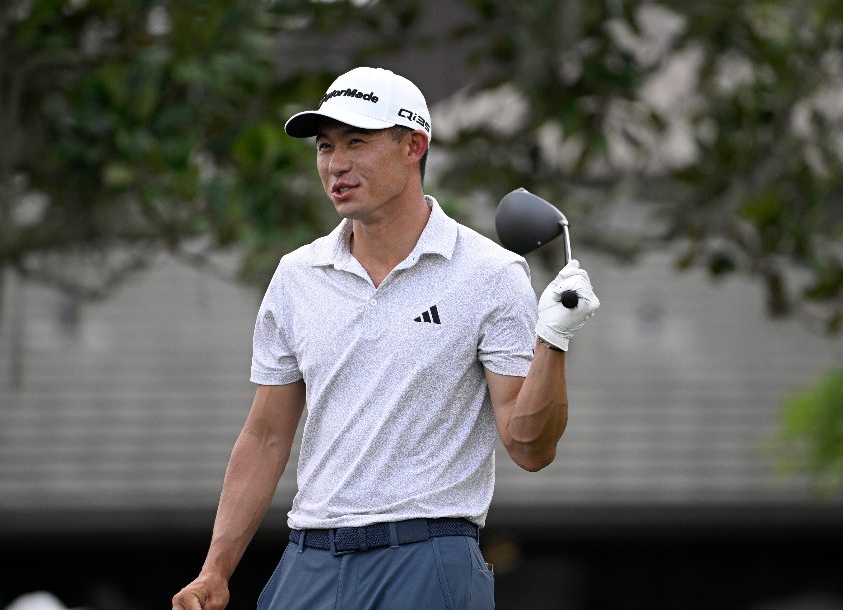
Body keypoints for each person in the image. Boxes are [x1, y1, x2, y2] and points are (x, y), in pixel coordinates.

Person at [171, 66, 600, 610]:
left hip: (428, 556)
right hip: (312, 559)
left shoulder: (491, 273)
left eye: (357, 142)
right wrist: (216, 570)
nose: (336, 165)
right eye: (325, 147)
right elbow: (265, 437)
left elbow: (529, 447)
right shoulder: (297, 275)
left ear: (413, 146)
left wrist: (552, 341)